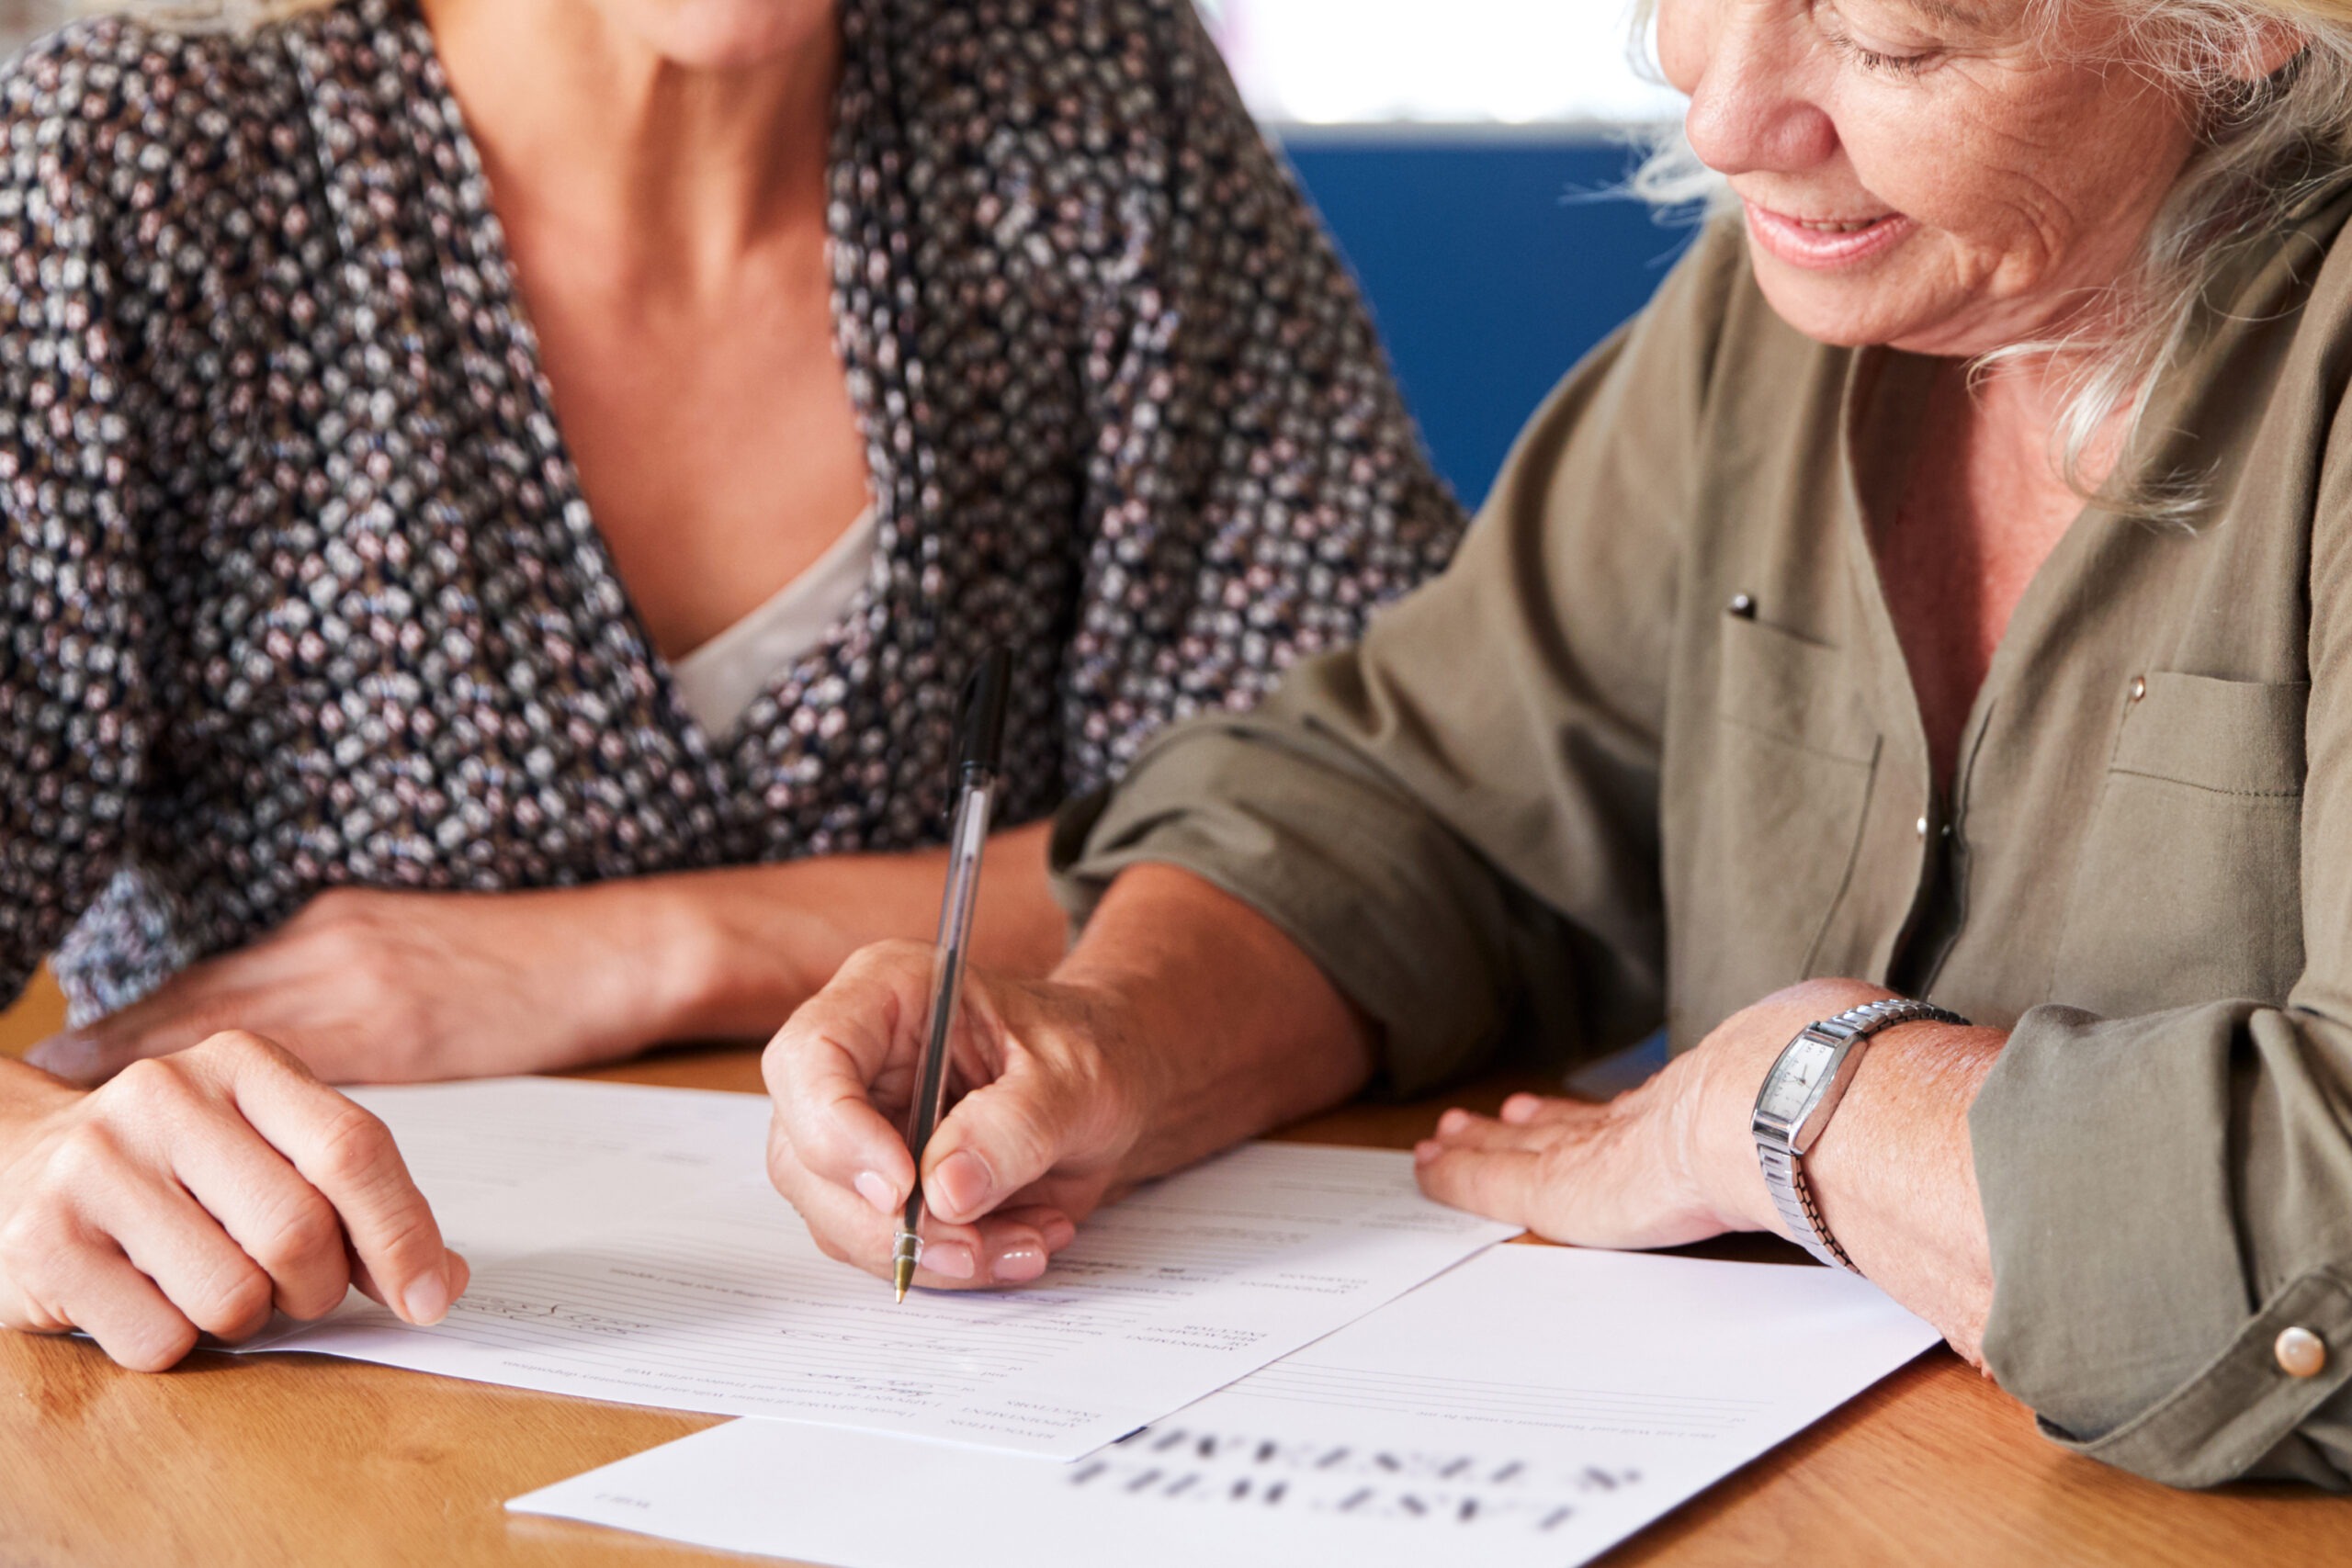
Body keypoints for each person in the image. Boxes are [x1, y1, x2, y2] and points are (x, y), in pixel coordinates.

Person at [764, 0, 2352, 1489]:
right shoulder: (1789, 307)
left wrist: (1796, 1102)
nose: (1726, 116)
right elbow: (1429, 807)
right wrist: (1116, 1033)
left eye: (1894, 39)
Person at [0, 0, 1461, 1369]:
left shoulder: (1085, 89)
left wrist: (647, 951)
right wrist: (26, 1167)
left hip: (1013, 1370)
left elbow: (1385, 821)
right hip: (327, 1390)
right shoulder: (126, 185)